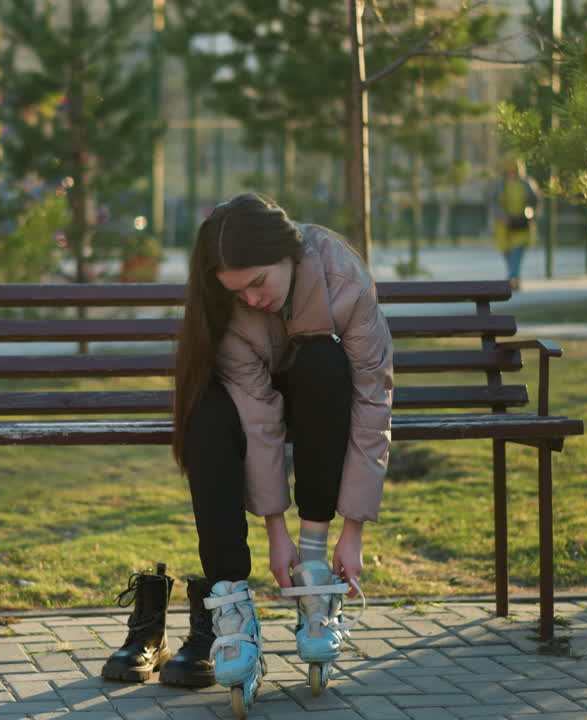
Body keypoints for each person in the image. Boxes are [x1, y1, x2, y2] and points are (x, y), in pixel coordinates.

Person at [152, 192, 393, 698]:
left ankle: (315, 573)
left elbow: (372, 402)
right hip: (251, 401)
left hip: (324, 394)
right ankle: (230, 600)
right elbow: (259, 422)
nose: (254, 300)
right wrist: (273, 530)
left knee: (323, 362)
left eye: (259, 283)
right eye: (239, 293)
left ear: (289, 252)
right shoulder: (233, 314)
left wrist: (352, 532)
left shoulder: (342, 276)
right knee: (205, 414)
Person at [490, 159, 540, 290]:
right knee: (508, 254)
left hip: (521, 225)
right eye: (510, 171)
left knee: (517, 252)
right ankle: (514, 278)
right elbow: (493, 203)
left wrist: (531, 216)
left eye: (515, 170)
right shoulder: (500, 185)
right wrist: (502, 217)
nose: (512, 173)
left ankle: (512, 278)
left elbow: (535, 202)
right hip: (504, 226)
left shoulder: (527, 184)